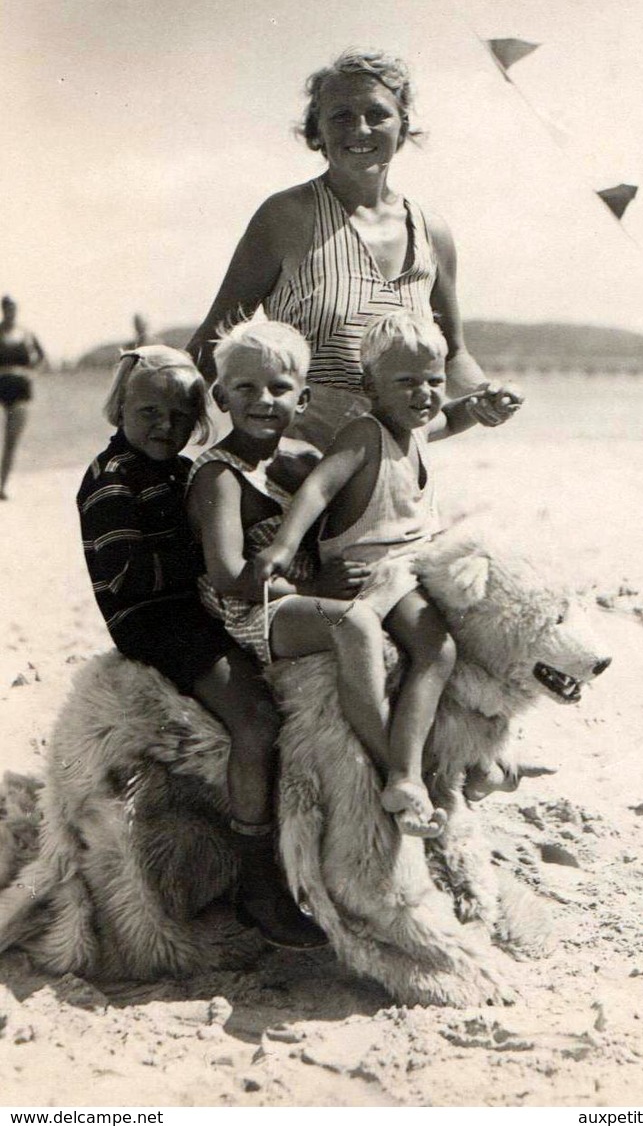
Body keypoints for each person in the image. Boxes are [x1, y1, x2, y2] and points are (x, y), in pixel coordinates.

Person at [76, 343, 326, 949]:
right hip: (156, 622)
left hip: (193, 609)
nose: (167, 426)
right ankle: (256, 880)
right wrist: (217, 561)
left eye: (180, 416)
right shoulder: (112, 479)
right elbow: (125, 575)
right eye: (149, 413)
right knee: (256, 720)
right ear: (119, 410)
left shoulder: (178, 471)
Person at [255, 310, 523, 832]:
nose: (424, 394)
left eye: (434, 381)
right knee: (437, 648)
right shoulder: (365, 433)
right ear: (368, 385)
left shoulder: (416, 428)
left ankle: (478, 757)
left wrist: (483, 404)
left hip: (411, 564)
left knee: (490, 621)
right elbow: (319, 488)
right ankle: (404, 773)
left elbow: (455, 416)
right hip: (373, 569)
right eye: (407, 382)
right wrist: (285, 545)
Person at [187, 48, 522, 450]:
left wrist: (487, 396)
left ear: (402, 126)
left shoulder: (432, 232)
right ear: (317, 132)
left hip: (396, 466)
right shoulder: (286, 217)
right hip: (297, 465)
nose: (360, 129)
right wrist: (146, 438)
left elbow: (451, 357)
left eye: (377, 114)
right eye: (341, 116)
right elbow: (213, 339)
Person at [187, 319, 446, 835]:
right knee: (354, 626)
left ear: (302, 401)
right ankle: (393, 769)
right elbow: (228, 575)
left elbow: (380, 455)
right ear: (220, 397)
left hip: (309, 596)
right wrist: (313, 590)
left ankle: (466, 758)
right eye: (246, 388)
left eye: (280, 388)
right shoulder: (220, 474)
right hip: (257, 610)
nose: (265, 400)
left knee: (433, 620)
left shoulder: (301, 458)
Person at [0, 295, 45, 499]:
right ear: (3, 309)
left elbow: (42, 358)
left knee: (11, 440)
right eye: (7, 308)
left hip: (20, 389)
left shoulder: (26, 334)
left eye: (13, 308)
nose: (10, 312)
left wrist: (31, 373)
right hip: (1, 385)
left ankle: (2, 485)